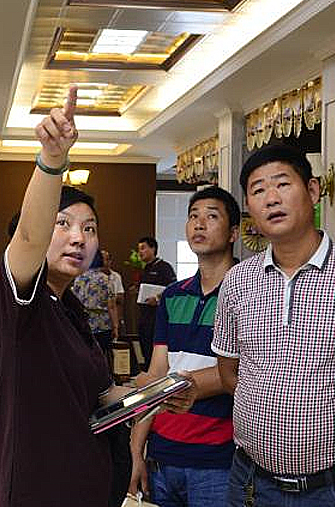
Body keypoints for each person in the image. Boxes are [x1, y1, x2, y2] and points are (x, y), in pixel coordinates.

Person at [212, 144, 335, 507]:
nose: (271, 199)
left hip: (334, 489)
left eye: (282, 184)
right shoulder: (238, 281)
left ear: (312, 190)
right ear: (249, 208)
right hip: (251, 484)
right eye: (258, 190)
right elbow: (229, 372)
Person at [0, 86, 138, 507]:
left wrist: (160, 393)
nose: (78, 238)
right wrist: (52, 160)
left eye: (89, 228)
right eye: (62, 224)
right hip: (37, 489)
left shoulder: (69, 308)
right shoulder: (15, 301)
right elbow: (30, 237)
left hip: (86, 482)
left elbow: (98, 398)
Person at [129, 186, 240, 507]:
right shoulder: (173, 296)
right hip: (162, 455)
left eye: (211, 217)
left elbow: (246, 371)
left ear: (233, 233)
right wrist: (136, 449)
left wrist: (170, 385)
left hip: (217, 460)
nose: (199, 224)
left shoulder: (249, 294)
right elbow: (156, 375)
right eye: (193, 216)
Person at [135, 236, 176, 368]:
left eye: (143, 248)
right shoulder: (145, 269)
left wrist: (158, 299)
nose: (140, 252)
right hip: (144, 316)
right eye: (139, 249)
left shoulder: (164, 267)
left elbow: (173, 289)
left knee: (155, 351)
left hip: (158, 318)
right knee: (145, 349)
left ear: (153, 249)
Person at [72, 250, 116, 362]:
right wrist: (115, 325)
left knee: (86, 354)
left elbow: (74, 301)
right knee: (103, 354)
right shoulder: (105, 279)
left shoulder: (79, 278)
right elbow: (111, 305)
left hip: (83, 321)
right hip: (103, 323)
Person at [100, 248, 125, 338]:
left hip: (114, 316)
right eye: (102, 260)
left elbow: (120, 298)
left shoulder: (116, 276)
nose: (105, 262)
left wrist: (107, 299)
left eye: (107, 259)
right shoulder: (93, 278)